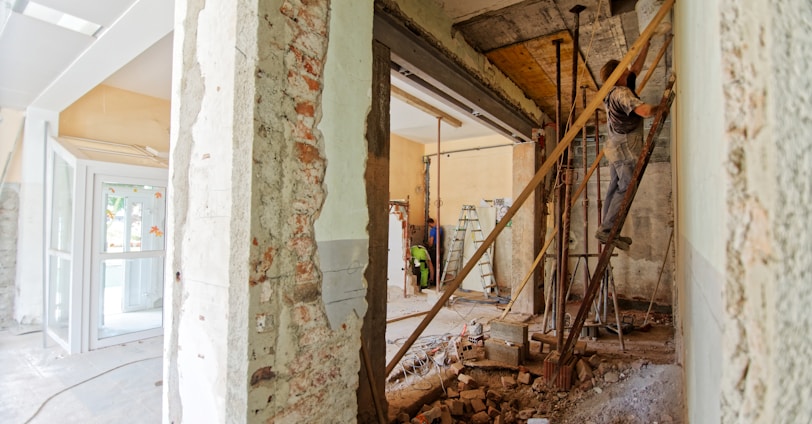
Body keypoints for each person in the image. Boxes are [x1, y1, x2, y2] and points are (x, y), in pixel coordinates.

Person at [596, 42, 660, 251]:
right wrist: (662, 105)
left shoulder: (619, 86)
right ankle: (607, 231)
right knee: (625, 188)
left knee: (614, 187)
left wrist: (646, 44)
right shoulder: (621, 93)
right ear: (618, 74)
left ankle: (606, 230)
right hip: (624, 147)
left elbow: (635, 69)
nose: (627, 69)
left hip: (615, 145)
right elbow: (645, 112)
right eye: (623, 68)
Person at [426, 218, 443, 284]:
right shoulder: (440, 229)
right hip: (440, 248)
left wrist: (428, 244)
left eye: (428, 224)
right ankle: (439, 280)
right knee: (439, 264)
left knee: (432, 264)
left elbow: (431, 242)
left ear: (429, 223)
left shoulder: (432, 230)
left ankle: (433, 280)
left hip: (434, 249)